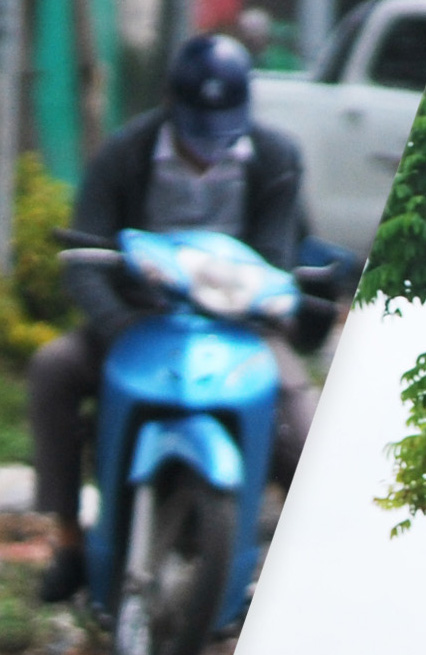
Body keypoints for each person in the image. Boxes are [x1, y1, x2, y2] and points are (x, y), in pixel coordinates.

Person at [31, 34, 320, 604]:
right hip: (140, 324)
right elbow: (85, 258)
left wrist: (291, 302)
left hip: (242, 329)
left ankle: (300, 577)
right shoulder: (124, 154)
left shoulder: (277, 159)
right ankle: (67, 541)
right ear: (171, 104)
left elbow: (283, 256)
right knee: (53, 368)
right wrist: (116, 323)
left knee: (306, 426)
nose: (209, 142)